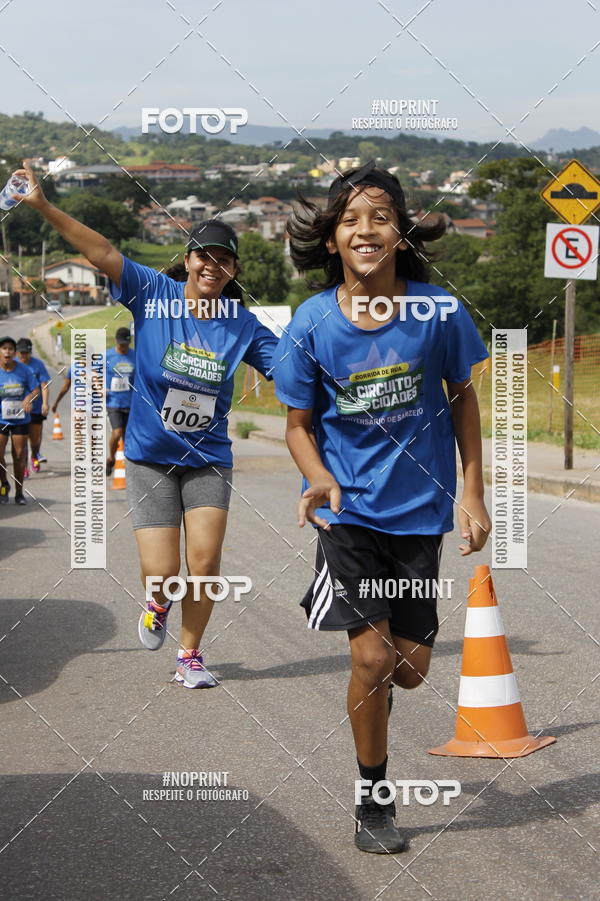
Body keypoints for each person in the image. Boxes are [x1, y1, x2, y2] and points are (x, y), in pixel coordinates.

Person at [274, 161, 491, 853]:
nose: (365, 229)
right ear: (331, 238)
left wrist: (473, 491)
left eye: (380, 216)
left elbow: (463, 398)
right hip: (348, 514)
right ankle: (374, 800)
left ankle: (380, 683)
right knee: (370, 660)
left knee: (409, 669)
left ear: (401, 232)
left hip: (419, 514)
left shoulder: (438, 312)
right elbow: (297, 425)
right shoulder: (312, 321)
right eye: (350, 219)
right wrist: (317, 477)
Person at [15, 161, 278, 688]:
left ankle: (190, 655)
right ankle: (157, 601)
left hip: (208, 459)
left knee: (205, 563)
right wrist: (43, 206)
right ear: (188, 259)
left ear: (233, 270)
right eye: (205, 255)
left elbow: (293, 369)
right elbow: (101, 251)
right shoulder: (154, 293)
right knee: (162, 573)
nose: (213, 266)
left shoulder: (242, 324)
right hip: (150, 458)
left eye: (225, 260)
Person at [0, 335, 39, 504]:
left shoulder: (24, 370)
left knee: (18, 456)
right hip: (1, 419)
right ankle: (4, 484)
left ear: (15, 353)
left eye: (10, 349)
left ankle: (19, 492)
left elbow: (36, 389)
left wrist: (28, 398)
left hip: (20, 420)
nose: (7, 352)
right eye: (4, 348)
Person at [16, 337, 50, 473]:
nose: (24, 356)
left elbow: (44, 385)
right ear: (17, 352)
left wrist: (45, 403)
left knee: (35, 439)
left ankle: (35, 455)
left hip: (35, 408)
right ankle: (23, 465)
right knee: (22, 438)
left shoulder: (38, 365)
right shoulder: (13, 364)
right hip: (18, 409)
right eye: (21, 353)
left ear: (30, 352)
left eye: (26, 353)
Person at [105, 327, 136, 476]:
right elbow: (93, 373)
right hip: (113, 402)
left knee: (127, 438)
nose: (123, 347)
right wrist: (99, 386)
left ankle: (129, 468)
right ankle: (111, 458)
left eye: (125, 345)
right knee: (116, 433)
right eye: (120, 344)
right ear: (116, 341)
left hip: (130, 402)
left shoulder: (135, 355)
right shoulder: (107, 356)